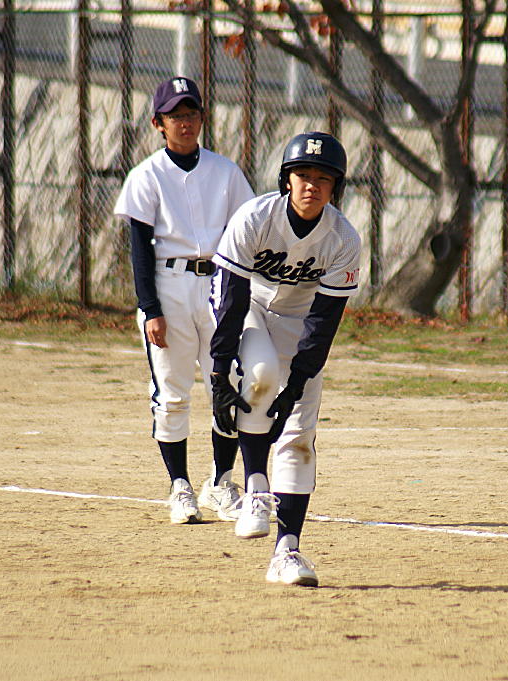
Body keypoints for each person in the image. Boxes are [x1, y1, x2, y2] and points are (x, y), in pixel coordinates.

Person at [208, 132, 361, 587]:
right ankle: (256, 485)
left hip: (301, 321)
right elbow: (231, 296)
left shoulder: (343, 238)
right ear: (286, 180)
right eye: (303, 175)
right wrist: (219, 370)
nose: (312, 185)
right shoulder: (255, 217)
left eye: (323, 178)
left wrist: (299, 382)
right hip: (251, 306)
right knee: (259, 376)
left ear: (336, 187)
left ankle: (286, 551)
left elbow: (324, 320)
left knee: (298, 436)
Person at [113, 76, 255, 525]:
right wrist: (150, 309)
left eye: (191, 113)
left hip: (219, 284)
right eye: (175, 115)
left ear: (202, 118)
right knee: (172, 393)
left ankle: (221, 482)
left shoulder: (225, 172)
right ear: (158, 123)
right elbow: (139, 247)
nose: (185, 122)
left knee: (227, 383)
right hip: (169, 284)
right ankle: (179, 486)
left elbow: (247, 231)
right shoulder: (147, 175)